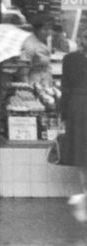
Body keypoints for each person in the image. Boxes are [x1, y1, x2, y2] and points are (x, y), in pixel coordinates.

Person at [60, 25, 87, 222]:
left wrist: (63, 112)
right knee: (80, 151)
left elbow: (65, 88)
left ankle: (85, 190)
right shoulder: (70, 59)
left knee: (80, 151)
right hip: (78, 107)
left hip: (77, 107)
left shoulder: (70, 59)